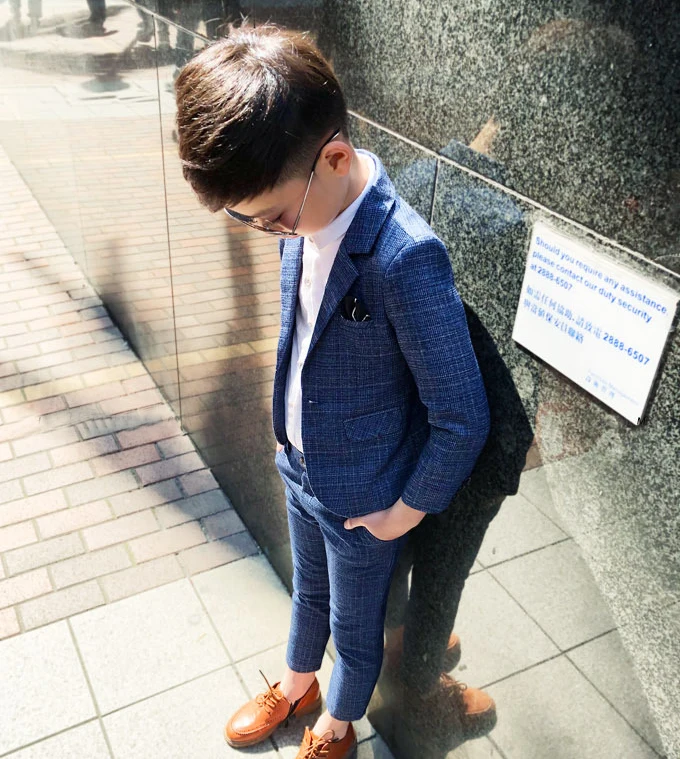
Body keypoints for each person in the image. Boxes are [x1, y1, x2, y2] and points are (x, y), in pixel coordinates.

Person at [173, 21, 490, 759]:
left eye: (273, 216)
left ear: (336, 158)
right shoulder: (304, 218)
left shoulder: (404, 257)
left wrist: (401, 513)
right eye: (251, 220)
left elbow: (462, 415)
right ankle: (296, 684)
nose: (272, 232)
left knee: (354, 626)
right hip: (298, 466)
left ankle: (336, 727)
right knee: (307, 592)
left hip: (365, 500)